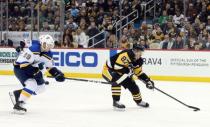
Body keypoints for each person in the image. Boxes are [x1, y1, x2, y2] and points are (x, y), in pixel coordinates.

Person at [9, 34, 65, 114]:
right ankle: (19, 104)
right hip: (20, 69)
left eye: (51, 45)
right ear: (42, 43)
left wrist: (57, 74)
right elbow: (23, 65)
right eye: (48, 45)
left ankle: (18, 93)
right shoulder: (33, 49)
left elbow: (50, 67)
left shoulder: (49, 54)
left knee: (41, 88)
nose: (49, 47)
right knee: (32, 84)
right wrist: (35, 72)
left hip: (30, 67)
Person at [102, 43, 155, 110]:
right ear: (135, 51)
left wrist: (147, 80)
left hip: (122, 73)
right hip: (109, 70)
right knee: (116, 81)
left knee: (133, 86)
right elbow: (117, 67)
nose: (141, 54)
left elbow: (138, 73)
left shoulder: (139, 61)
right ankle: (116, 102)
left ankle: (139, 101)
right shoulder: (126, 54)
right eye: (140, 52)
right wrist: (128, 71)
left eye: (142, 52)